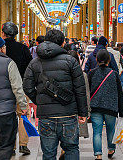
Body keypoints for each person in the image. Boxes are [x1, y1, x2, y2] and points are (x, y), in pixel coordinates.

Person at [23, 29, 89, 160]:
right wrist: (83, 112)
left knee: (48, 153)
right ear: (63, 42)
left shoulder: (35, 62)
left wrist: (40, 101)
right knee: (71, 149)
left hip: (46, 116)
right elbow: (80, 89)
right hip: (68, 114)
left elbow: (27, 86)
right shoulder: (71, 61)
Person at [2, 21, 35, 155]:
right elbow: (30, 67)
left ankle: (11, 146)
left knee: (8, 117)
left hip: (5, 87)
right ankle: (23, 144)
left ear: (3, 33)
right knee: (23, 115)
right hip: (21, 86)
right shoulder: (23, 48)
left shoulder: (1, 48)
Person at [87, 49, 123, 160]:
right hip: (111, 108)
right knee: (111, 130)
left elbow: (88, 91)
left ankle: (98, 154)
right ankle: (111, 149)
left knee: (97, 132)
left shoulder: (92, 73)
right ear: (109, 60)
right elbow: (119, 93)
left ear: (97, 60)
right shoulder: (114, 74)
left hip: (95, 107)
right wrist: (121, 111)